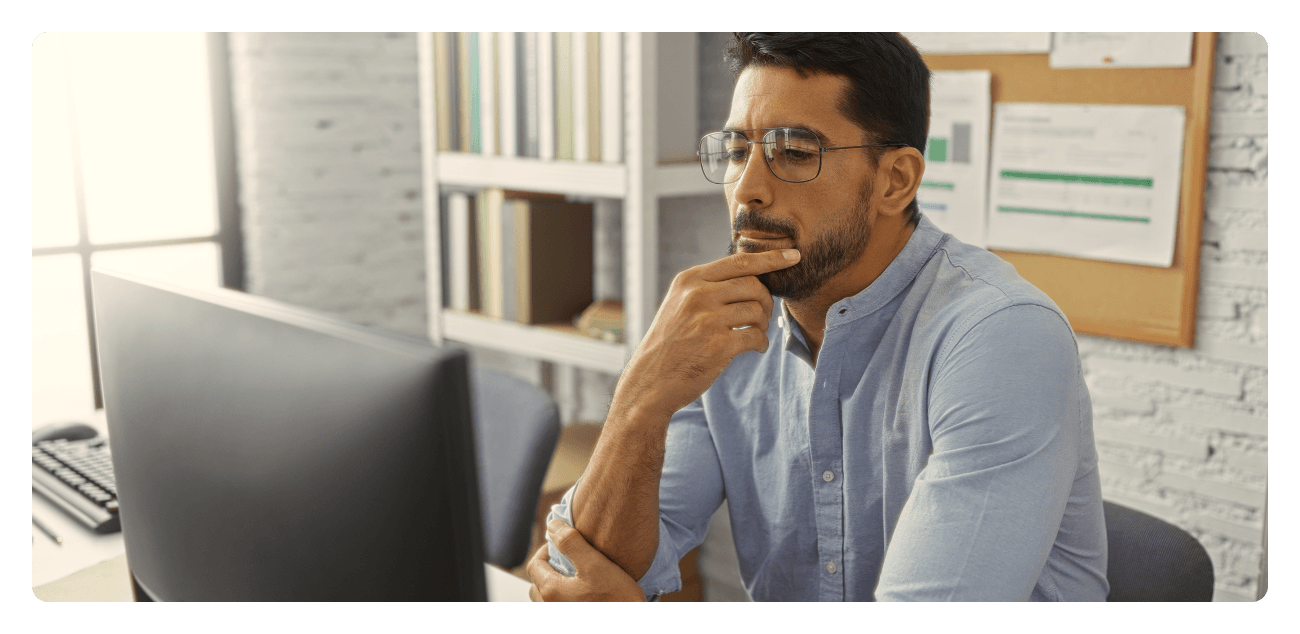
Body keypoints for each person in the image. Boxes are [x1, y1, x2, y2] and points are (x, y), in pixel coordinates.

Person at [528, 32, 1108, 602]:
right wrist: (639, 399)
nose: (747, 189)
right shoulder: (721, 327)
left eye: (795, 153)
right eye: (736, 151)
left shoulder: (1001, 337)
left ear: (895, 180)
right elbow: (573, 569)